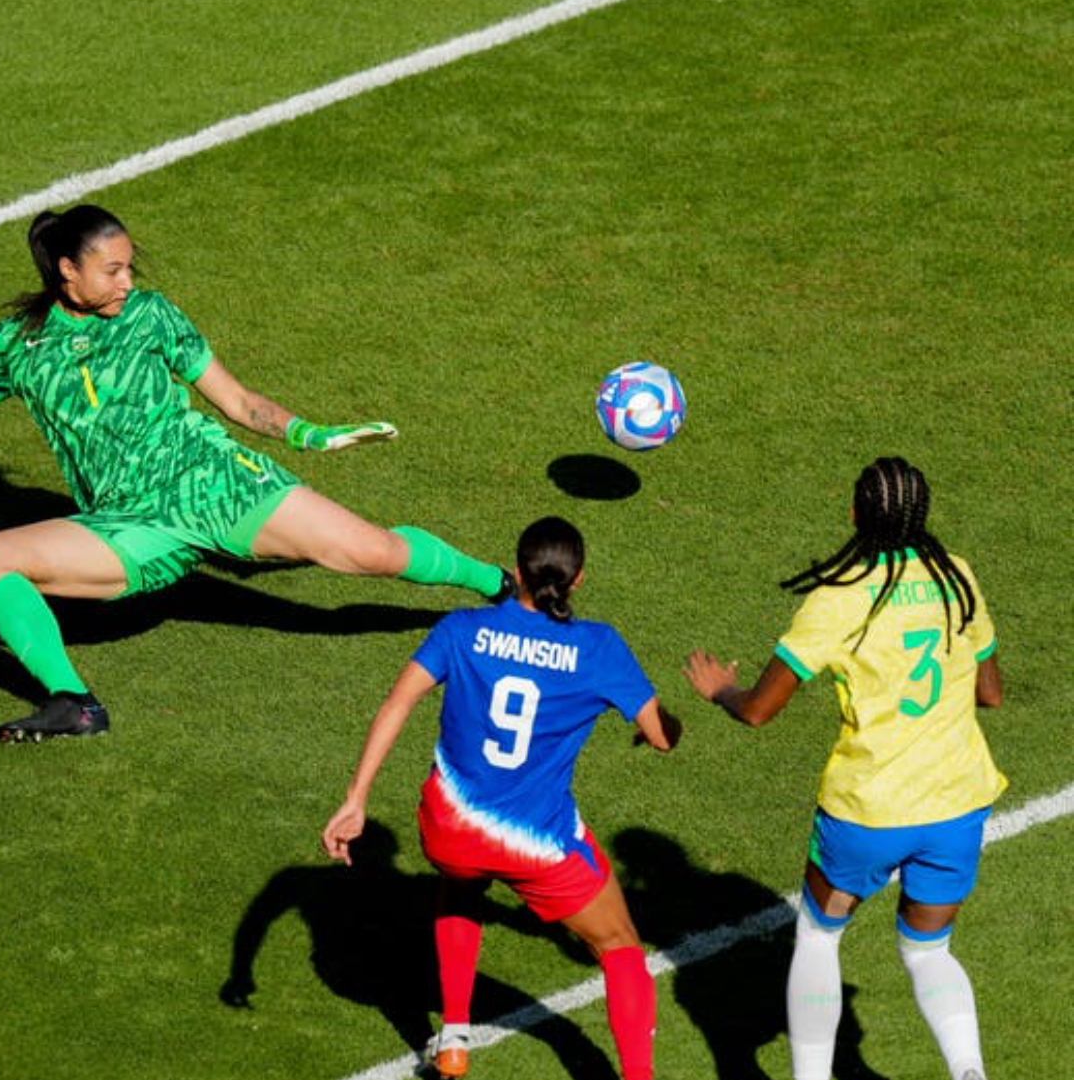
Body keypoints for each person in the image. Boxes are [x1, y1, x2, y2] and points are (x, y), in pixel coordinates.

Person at [0, 204, 512, 743]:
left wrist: (312, 434)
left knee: (371, 553)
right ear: (67, 270)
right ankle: (75, 704)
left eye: (130, 267)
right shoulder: (16, 342)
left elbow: (238, 403)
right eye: (113, 269)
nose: (128, 280)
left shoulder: (151, 316)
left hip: (215, 483)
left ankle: (499, 584)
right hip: (127, 523)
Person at [322, 515, 683, 1080]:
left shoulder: (461, 629)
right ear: (578, 580)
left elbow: (396, 703)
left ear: (515, 572)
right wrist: (659, 723)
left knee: (459, 882)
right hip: (535, 845)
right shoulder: (597, 648)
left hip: (448, 829)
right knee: (619, 946)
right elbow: (662, 736)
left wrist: (355, 798)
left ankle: (455, 1038)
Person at [683, 457, 1005, 1080]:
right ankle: (969, 1071)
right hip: (959, 802)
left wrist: (721, 688)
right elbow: (989, 692)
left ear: (855, 513)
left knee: (819, 935)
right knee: (928, 949)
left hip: (869, 808)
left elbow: (758, 711)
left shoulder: (841, 595)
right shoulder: (956, 577)